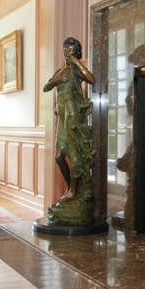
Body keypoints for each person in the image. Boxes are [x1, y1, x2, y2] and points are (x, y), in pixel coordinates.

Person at [43, 37, 95, 204]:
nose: (67, 52)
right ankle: (71, 189)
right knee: (59, 157)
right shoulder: (61, 71)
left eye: (71, 50)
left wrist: (76, 62)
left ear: (76, 52)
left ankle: (73, 191)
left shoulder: (76, 70)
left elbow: (91, 79)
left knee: (74, 155)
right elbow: (46, 87)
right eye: (65, 49)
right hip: (62, 117)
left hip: (73, 116)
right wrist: (56, 80)